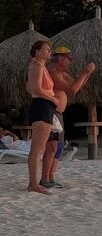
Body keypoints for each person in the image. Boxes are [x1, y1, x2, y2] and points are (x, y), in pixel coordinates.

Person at [42, 45, 95, 189]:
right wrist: (85, 73)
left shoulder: (61, 73)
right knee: (51, 147)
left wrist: (87, 74)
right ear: (60, 59)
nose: (70, 62)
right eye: (69, 59)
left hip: (58, 115)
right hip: (51, 114)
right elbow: (71, 90)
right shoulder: (53, 73)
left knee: (58, 147)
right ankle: (45, 179)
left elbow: (76, 86)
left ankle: (51, 177)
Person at [24, 41, 59, 194]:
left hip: (43, 106)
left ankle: (34, 183)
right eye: (46, 49)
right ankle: (33, 184)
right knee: (37, 148)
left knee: (40, 147)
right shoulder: (37, 66)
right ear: (37, 51)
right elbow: (36, 88)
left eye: (50, 50)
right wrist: (53, 99)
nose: (49, 52)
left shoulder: (38, 66)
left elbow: (29, 87)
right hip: (42, 106)